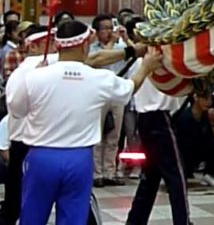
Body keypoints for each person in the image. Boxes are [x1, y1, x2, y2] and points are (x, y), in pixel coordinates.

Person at [8, 20, 161, 225]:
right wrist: (146, 67)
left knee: (31, 218)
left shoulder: (34, 75)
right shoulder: (98, 78)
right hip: (78, 159)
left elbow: (17, 111)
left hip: (41, 157)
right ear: (85, 44)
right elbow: (129, 89)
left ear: (58, 44)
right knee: (73, 218)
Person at [124, 51, 190, 225]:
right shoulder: (167, 61)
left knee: (150, 178)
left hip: (144, 119)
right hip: (160, 119)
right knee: (176, 177)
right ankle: (182, 221)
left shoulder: (140, 62)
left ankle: (135, 221)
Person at [90, 13, 128, 187]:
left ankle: (109, 172)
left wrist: (125, 39)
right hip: (98, 95)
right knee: (97, 136)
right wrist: (112, 43)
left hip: (116, 95)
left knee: (114, 136)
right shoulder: (92, 48)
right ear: (97, 31)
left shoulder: (122, 46)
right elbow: (99, 62)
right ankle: (96, 173)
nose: (108, 31)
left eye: (110, 27)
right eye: (104, 28)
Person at [175, 89, 214, 187]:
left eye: (210, 99)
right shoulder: (184, 117)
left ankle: (210, 174)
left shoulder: (209, 115)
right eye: (205, 99)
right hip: (184, 153)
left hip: (200, 150)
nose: (209, 102)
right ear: (196, 98)